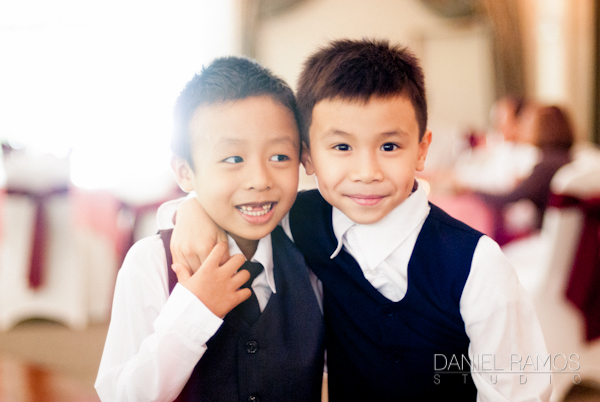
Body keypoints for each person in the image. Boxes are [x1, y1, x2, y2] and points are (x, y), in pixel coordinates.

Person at [160, 39, 552, 401]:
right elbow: (238, 205)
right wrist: (191, 209)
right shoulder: (302, 220)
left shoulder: (476, 264)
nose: (367, 172)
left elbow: (519, 393)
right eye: (342, 146)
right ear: (307, 156)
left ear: (421, 150)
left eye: (389, 146)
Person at [94, 57, 325, 402]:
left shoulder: (312, 250)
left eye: (279, 157)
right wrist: (194, 311)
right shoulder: (150, 263)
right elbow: (122, 396)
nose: (259, 180)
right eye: (233, 159)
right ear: (185, 172)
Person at [475, 105, 575, 245]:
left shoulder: (545, 167)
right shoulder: (566, 158)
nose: (523, 128)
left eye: (529, 124)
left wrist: (473, 193)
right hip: (567, 242)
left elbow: (510, 198)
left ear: (543, 129)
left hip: (545, 242)